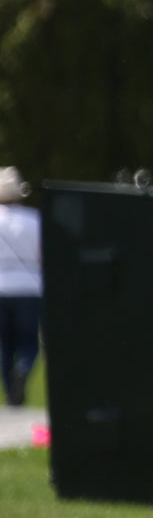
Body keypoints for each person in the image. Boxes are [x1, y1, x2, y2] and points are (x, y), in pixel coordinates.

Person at [0, 168, 40, 408]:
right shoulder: (34, 219)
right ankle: (23, 367)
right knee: (29, 342)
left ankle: (11, 394)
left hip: (1, 286)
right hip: (29, 287)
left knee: (4, 343)